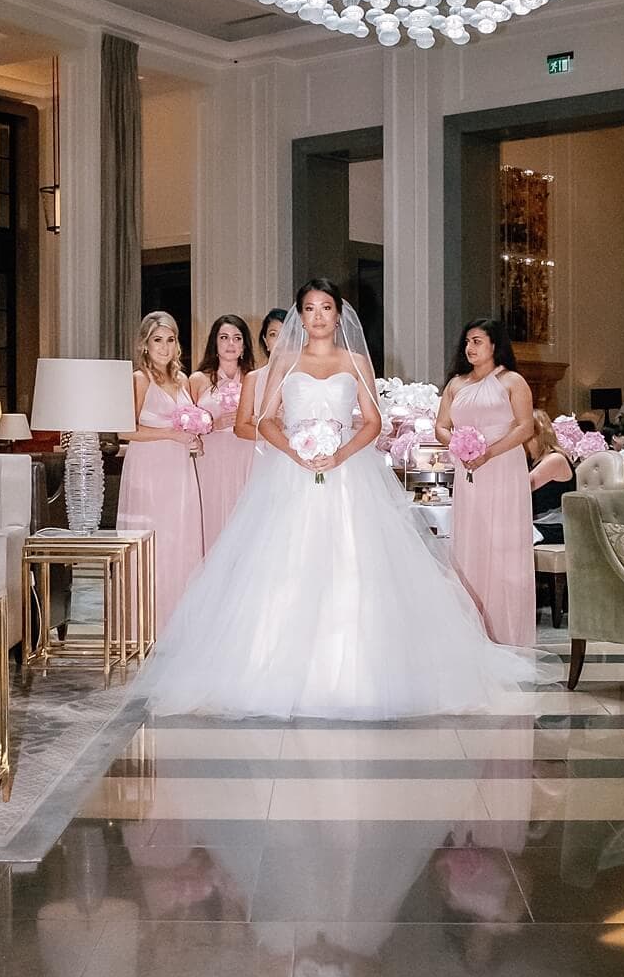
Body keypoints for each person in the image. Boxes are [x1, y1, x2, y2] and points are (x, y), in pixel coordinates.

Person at [132, 279, 550, 718]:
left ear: (337, 314)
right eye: (309, 308)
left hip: (348, 474)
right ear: (300, 315)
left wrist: (340, 453)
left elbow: (372, 421)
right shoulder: (285, 362)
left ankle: (360, 669)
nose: (317, 316)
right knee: (284, 564)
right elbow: (265, 419)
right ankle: (270, 669)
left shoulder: (354, 361)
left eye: (326, 308)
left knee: (354, 562)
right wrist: (296, 451)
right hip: (290, 476)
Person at [436, 319, 536, 644]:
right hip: (469, 473)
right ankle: (473, 633)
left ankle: (507, 632)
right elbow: (441, 425)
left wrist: (488, 452)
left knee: (502, 544)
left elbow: (525, 427)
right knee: (472, 542)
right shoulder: (456, 384)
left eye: (477, 341)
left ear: (494, 344)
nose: (470, 348)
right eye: (467, 341)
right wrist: (457, 445)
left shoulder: (512, 381)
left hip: (503, 467)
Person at [117, 311, 205, 633]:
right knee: (155, 541)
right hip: (149, 470)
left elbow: (188, 422)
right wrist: (170, 434)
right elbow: (125, 430)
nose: (165, 348)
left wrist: (194, 439)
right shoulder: (141, 379)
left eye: (170, 340)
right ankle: (147, 625)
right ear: (145, 343)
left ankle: (180, 623)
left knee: (181, 539)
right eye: (158, 340)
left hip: (180, 469)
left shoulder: (183, 381)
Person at [189, 314, 255, 547]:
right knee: (213, 515)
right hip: (211, 458)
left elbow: (268, 418)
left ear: (244, 345)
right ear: (214, 343)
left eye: (237, 338)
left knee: (246, 518)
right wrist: (209, 424)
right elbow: (186, 422)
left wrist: (245, 420)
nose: (230, 344)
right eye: (224, 337)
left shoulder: (253, 378)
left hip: (247, 455)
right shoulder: (198, 380)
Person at [234, 306, 287, 442]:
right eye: (273, 334)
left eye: (286, 334)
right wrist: (281, 439)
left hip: (304, 451)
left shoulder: (306, 376)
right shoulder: (253, 378)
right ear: (266, 341)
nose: (280, 341)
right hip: (266, 452)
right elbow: (240, 428)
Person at [528, 410, 576, 545]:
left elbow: (520, 488)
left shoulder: (555, 459)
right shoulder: (533, 461)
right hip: (539, 523)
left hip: (554, 525)